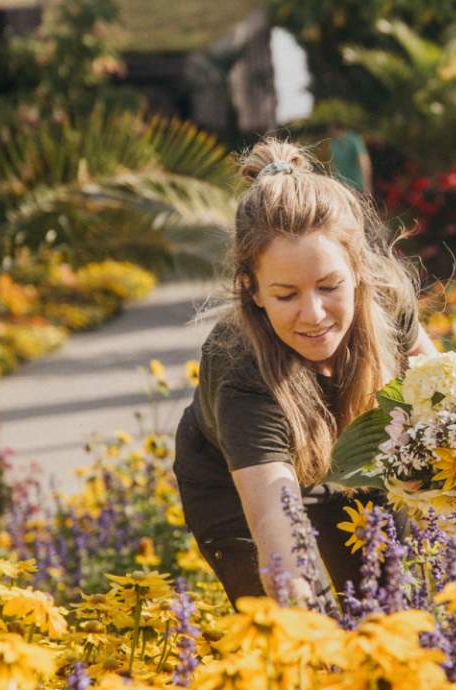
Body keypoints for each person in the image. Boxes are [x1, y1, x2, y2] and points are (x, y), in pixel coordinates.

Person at [173, 137, 435, 604]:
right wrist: (297, 602)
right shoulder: (241, 371)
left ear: (358, 271)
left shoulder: (388, 302)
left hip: (352, 458)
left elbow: (444, 392)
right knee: (281, 619)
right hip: (236, 484)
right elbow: (277, 530)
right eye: (286, 295)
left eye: (329, 286)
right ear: (252, 291)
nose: (313, 315)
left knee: (388, 607)